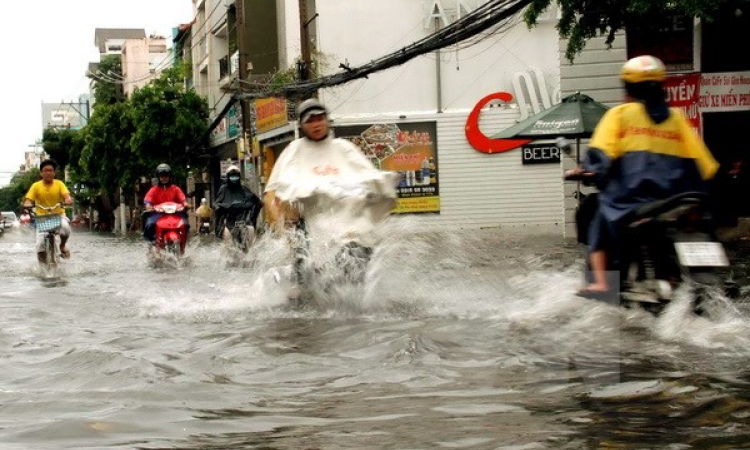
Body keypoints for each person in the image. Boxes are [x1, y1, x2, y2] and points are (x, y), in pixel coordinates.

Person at [566, 55, 719, 295]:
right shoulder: (677, 118)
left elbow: (600, 155)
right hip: (677, 199)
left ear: (627, 87)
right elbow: (705, 164)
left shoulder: (619, 115)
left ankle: (601, 284)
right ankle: (672, 278)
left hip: (630, 199)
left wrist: (586, 169)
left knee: (597, 217)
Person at [23, 159, 74, 263]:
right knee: (40, 247)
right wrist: (27, 204)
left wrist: (68, 200)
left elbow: (67, 196)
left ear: (54, 173)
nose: (48, 173)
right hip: (42, 219)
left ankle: (62, 245)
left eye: (51, 170)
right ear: (41, 173)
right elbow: (28, 200)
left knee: (66, 229)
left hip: (59, 216)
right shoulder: (35, 186)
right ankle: (43, 268)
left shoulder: (59, 184)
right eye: (46, 170)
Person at [142, 163, 190, 244]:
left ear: (169, 176)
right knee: (150, 225)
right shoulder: (154, 190)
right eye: (162, 176)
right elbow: (148, 201)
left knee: (185, 225)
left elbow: (183, 200)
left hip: (176, 214)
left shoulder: (175, 189)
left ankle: (185, 241)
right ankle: (151, 244)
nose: (164, 178)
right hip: (158, 214)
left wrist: (186, 204)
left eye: (166, 175)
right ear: (158, 177)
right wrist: (148, 206)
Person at [214, 165, 262, 239]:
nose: (234, 179)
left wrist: (250, 207)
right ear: (228, 177)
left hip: (245, 223)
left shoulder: (243, 189)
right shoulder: (224, 189)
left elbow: (257, 202)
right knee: (228, 243)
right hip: (229, 223)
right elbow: (217, 205)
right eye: (232, 176)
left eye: (236, 176)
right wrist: (227, 206)